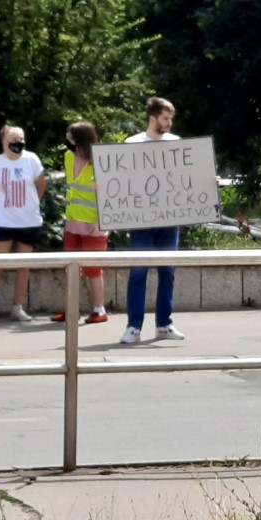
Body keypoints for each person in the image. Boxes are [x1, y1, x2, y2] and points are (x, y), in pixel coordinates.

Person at [120, 97, 185, 344]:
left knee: (168, 272)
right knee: (138, 272)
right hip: (142, 220)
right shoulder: (132, 144)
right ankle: (133, 327)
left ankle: (164, 324)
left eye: (170, 119)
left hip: (169, 218)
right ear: (153, 118)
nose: (169, 123)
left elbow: (184, 177)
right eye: (166, 118)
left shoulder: (176, 143)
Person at [0, 124, 46, 323]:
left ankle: (18, 307)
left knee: (24, 265)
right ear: (4, 141)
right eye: (14, 139)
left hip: (28, 220)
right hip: (3, 220)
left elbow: (41, 186)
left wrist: (31, 206)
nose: (18, 142)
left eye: (21, 138)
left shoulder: (31, 159)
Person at [56, 120, 110, 325]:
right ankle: (72, 309)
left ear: (80, 138)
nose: (67, 139)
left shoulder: (99, 160)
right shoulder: (69, 156)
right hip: (73, 221)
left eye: (71, 135)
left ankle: (99, 309)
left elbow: (109, 195)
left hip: (93, 224)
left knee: (93, 269)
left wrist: (102, 224)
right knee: (70, 267)